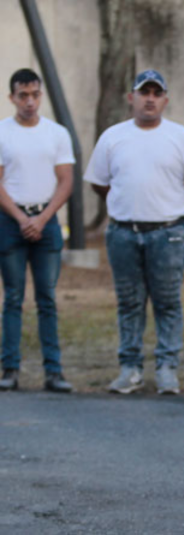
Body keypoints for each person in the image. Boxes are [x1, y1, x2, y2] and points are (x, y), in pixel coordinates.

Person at [85, 70, 184, 395]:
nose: (150, 98)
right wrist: (128, 206)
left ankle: (167, 368)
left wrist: (165, 209)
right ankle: (130, 368)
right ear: (132, 98)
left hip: (168, 235)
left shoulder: (182, 138)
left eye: (157, 93)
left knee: (167, 302)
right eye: (144, 92)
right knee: (129, 303)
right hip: (123, 234)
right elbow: (100, 182)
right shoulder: (113, 137)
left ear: (165, 99)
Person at [0, 68, 74, 393]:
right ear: (12, 98)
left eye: (34, 95)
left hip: (46, 222)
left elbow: (66, 180)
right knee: (13, 297)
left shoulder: (56, 133)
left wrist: (42, 219)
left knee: (47, 298)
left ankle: (54, 372)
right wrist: (20, 217)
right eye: (22, 96)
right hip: (11, 223)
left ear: (40, 95)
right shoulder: (3, 132)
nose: (29, 102)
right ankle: (10, 369)